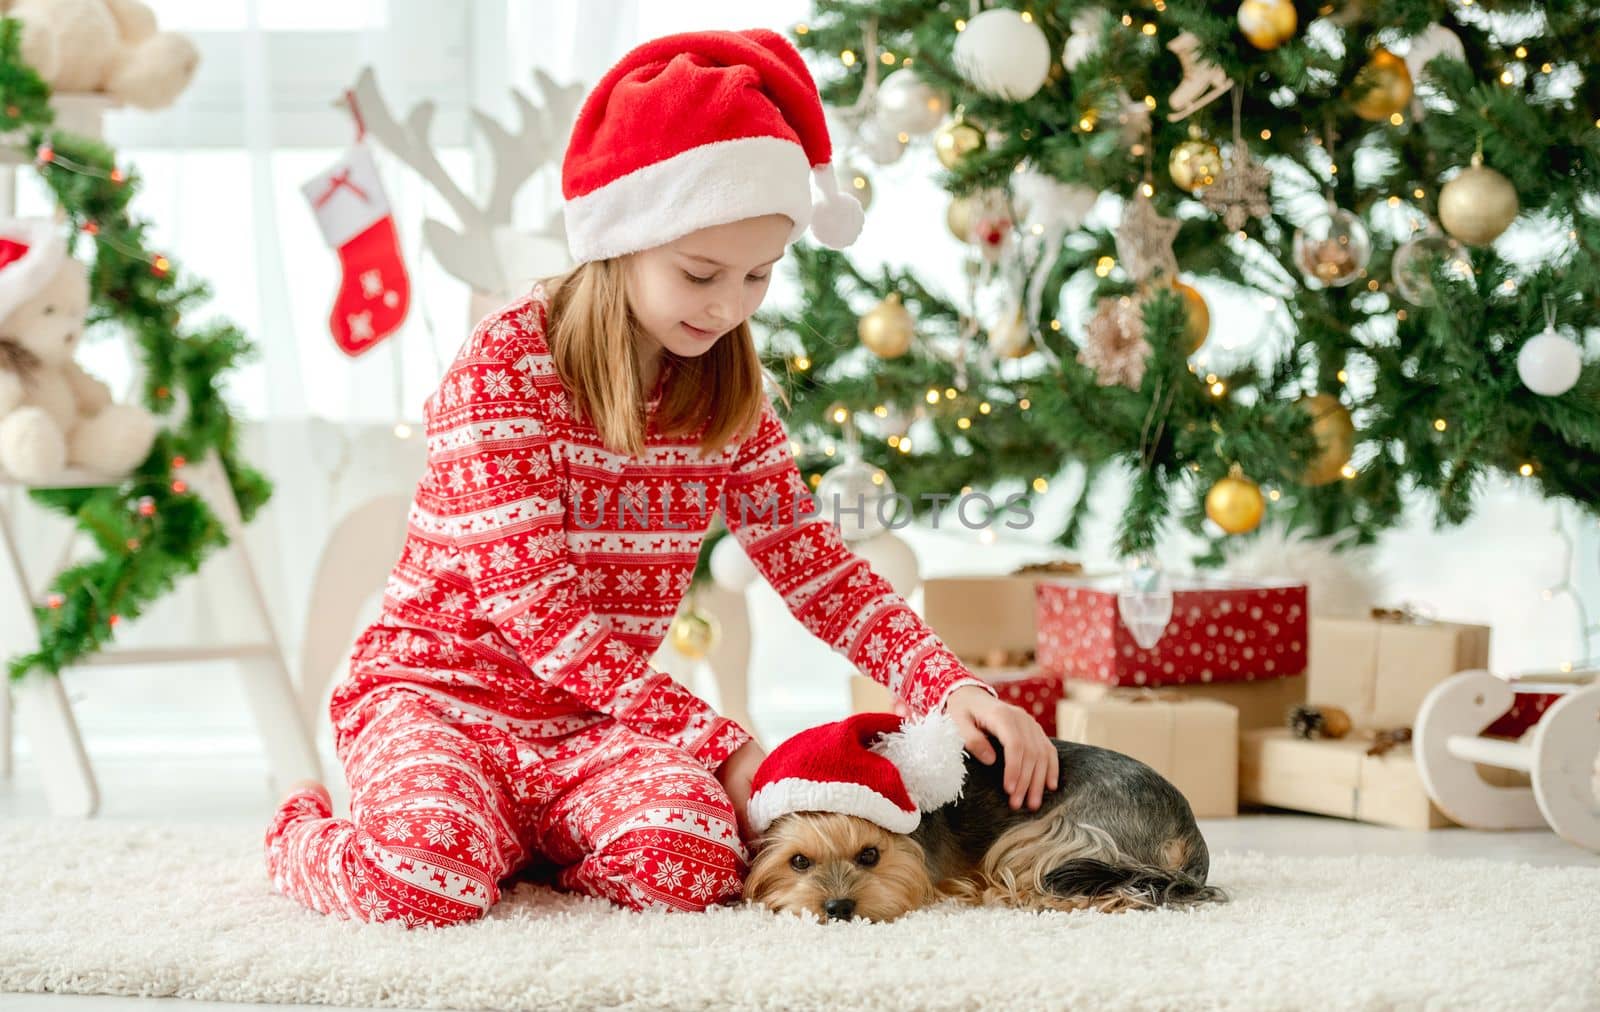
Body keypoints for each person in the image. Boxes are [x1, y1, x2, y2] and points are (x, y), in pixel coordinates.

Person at [264, 27, 1058, 928]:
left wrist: (950, 687)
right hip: (437, 700)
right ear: (622, 237)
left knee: (695, 864)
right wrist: (724, 747)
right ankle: (307, 824)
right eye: (700, 273)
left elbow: (813, 565)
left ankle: (521, 841)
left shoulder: (724, 384)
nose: (729, 307)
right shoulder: (506, 365)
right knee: (420, 885)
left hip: (593, 729)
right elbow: (545, 619)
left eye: (759, 275)